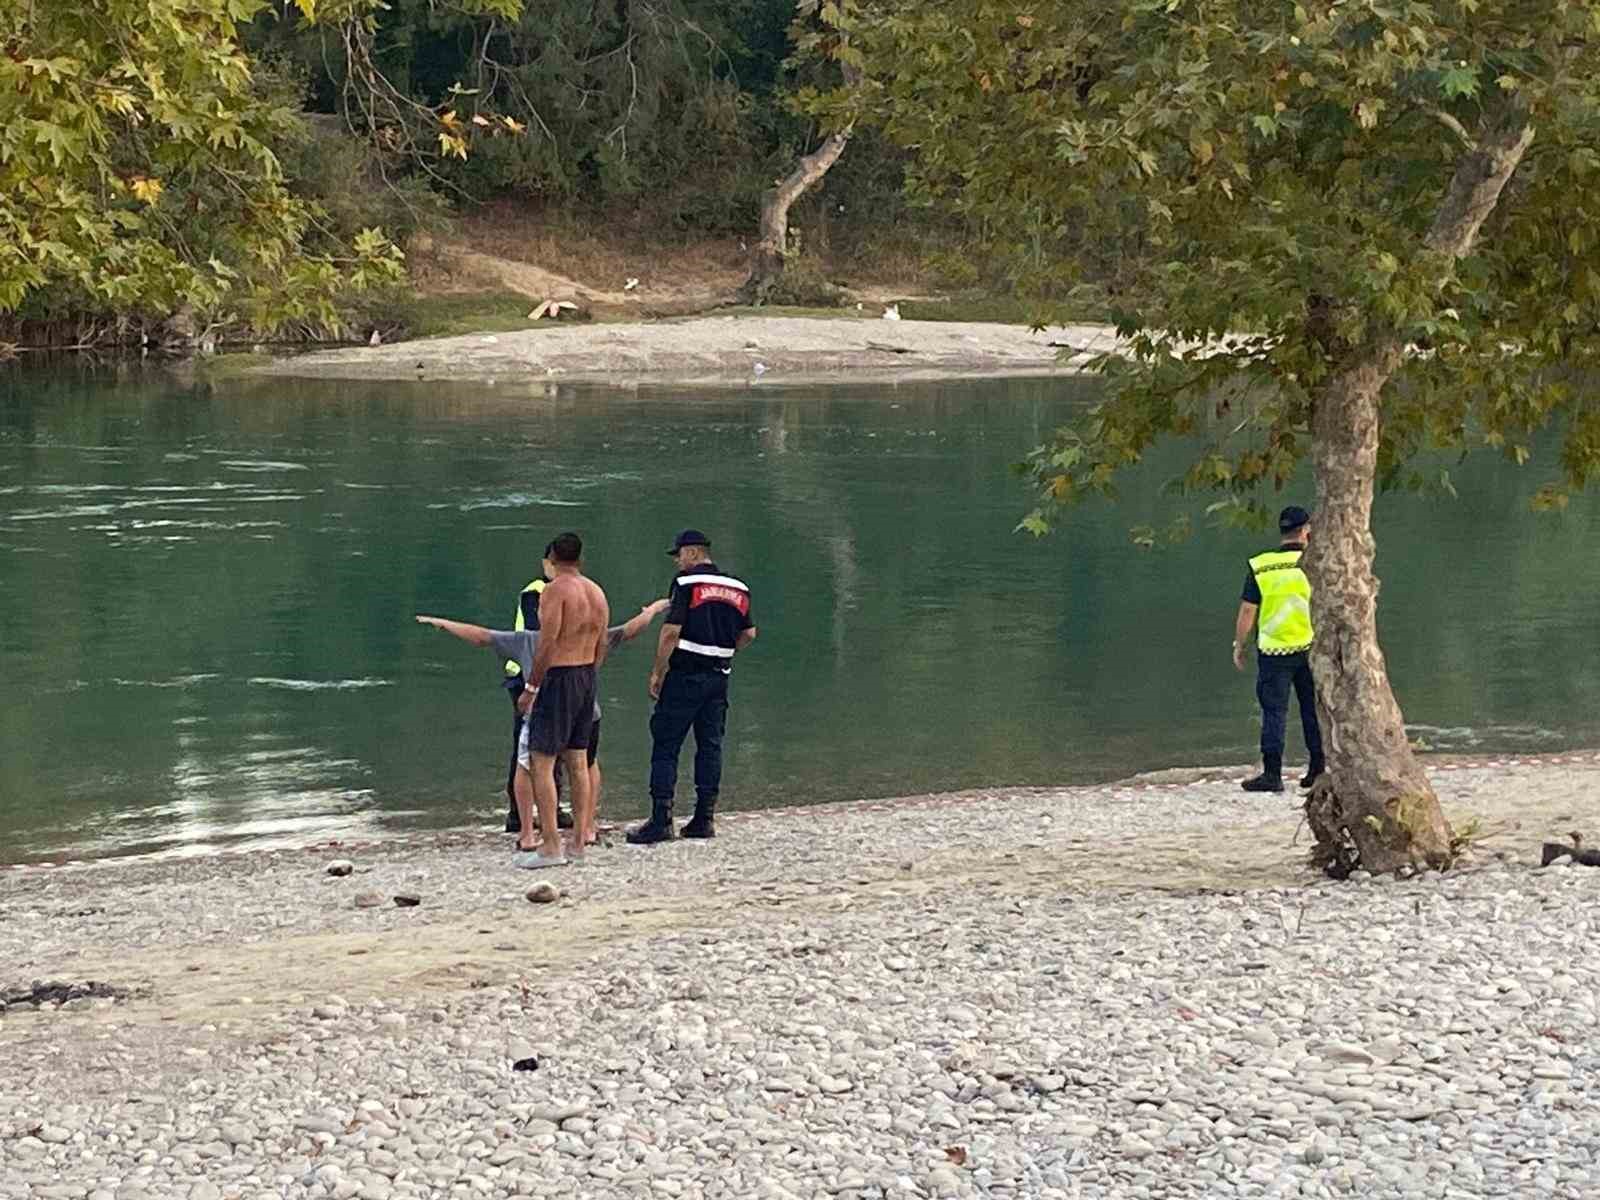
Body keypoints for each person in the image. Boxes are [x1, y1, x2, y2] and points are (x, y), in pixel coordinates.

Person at [627, 529, 757, 844]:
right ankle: (704, 818)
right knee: (710, 745)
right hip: (718, 676)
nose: (677, 562)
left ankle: (661, 820)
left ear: (694, 553)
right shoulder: (739, 587)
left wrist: (658, 671)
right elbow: (750, 633)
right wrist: (724, 651)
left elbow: (671, 632)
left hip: (685, 674)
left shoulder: (686, 584)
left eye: (679, 556)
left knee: (666, 745)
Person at [1233, 505, 1325, 793]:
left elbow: (1248, 611)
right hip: (1311, 648)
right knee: (1313, 710)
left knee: (1274, 712)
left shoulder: (1262, 565)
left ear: (1281, 531)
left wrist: (1240, 644)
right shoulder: (1316, 564)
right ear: (1306, 530)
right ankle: (1317, 769)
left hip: (1274, 651)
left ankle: (1272, 774)